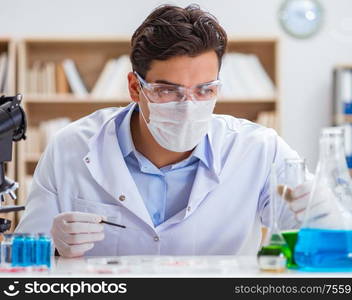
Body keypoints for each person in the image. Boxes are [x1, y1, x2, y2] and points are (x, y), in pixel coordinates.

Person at [16, 4, 312, 258]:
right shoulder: (71, 147)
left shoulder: (259, 149)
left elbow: (321, 235)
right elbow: (23, 260)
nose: (188, 106)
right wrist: (54, 245)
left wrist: (321, 207)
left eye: (205, 90)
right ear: (135, 87)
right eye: (167, 91)